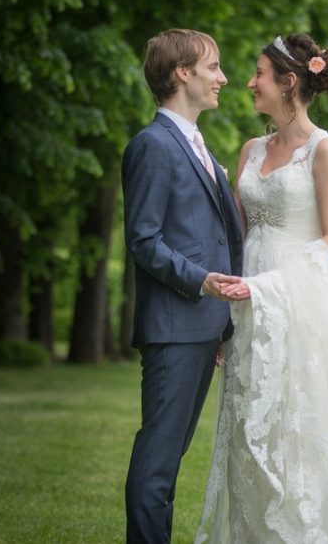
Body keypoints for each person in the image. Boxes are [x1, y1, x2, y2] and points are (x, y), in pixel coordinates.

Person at [196, 34, 328, 543]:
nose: (249, 83)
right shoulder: (250, 149)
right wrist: (227, 308)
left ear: (288, 82)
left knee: (295, 431)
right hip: (246, 303)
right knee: (247, 428)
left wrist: (272, 286)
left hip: (298, 300)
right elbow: (234, 233)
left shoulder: (325, 151)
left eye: (258, 74)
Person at [123, 28, 248, 544]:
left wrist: (222, 320)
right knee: (158, 460)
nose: (222, 78)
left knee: (170, 456)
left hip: (202, 327)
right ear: (182, 73)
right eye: (212, 67)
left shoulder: (197, 145)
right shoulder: (152, 145)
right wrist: (203, 284)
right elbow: (144, 240)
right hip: (174, 326)